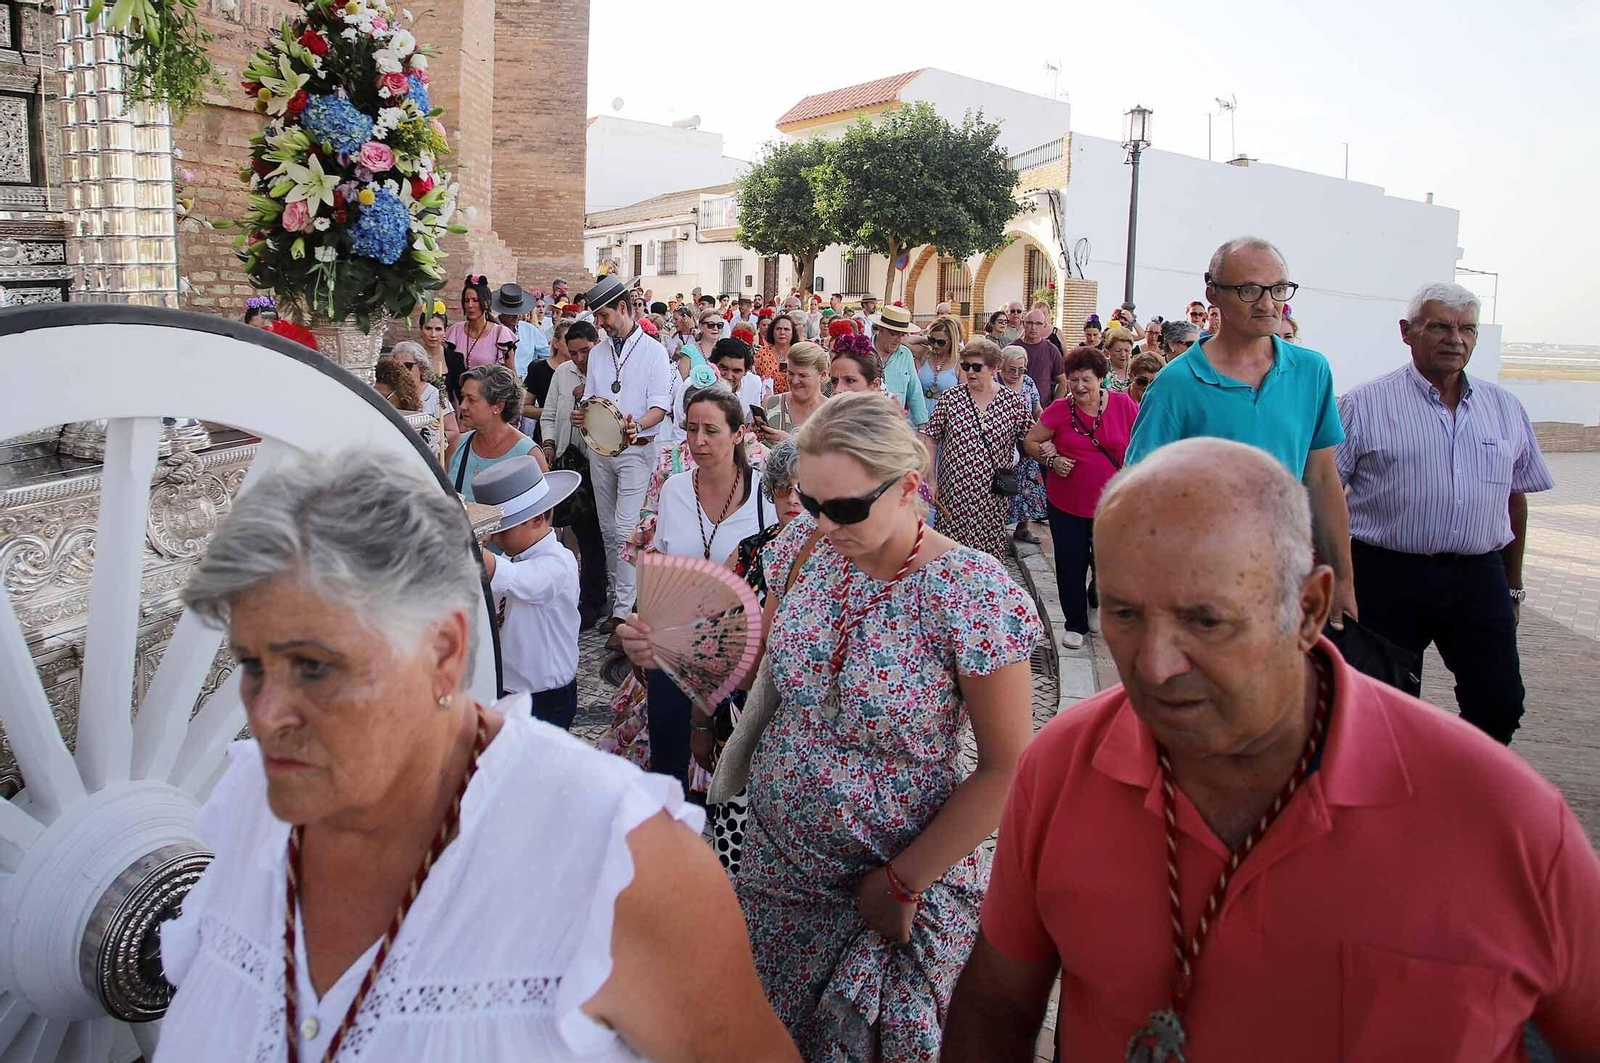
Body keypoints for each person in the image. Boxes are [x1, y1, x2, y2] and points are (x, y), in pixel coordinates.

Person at [940, 438, 1600, 1063]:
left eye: (1206, 620)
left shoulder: (1502, 818)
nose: (1155, 664)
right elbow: (996, 1004)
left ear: (1309, 608)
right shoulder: (1062, 768)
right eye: (1125, 613)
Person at [156, 449, 801, 1063]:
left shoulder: (615, 861)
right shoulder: (247, 811)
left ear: (442, 651)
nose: (264, 717)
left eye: (315, 668)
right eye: (250, 665)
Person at [646, 392, 1040, 1061]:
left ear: (910, 487)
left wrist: (902, 881)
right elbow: (761, 658)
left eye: (847, 507)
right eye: (811, 500)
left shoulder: (972, 594)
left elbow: (1008, 770)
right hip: (779, 875)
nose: (825, 523)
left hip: (891, 891)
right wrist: (673, 648)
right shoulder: (806, 544)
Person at [1336, 282, 1554, 745]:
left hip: (1478, 577)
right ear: (1407, 332)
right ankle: (1389, 801)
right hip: (1384, 576)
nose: (1455, 338)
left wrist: (1513, 586)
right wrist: (1336, 580)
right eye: (1438, 326)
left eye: (1467, 329)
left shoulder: (1506, 409)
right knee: (1379, 704)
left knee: (1499, 704)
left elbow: (1516, 501)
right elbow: (1324, 495)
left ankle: (1461, 790)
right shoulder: (1364, 405)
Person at [1125, 236, 1356, 624]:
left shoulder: (1312, 371)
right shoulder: (1175, 385)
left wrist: (1344, 578)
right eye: (1249, 290)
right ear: (1212, 293)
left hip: (1285, 583)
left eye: (1277, 289)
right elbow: (1139, 495)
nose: (1267, 303)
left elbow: (1321, 478)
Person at [618, 388, 777, 787]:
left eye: (711, 430)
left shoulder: (766, 494)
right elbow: (660, 560)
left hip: (736, 652)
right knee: (668, 762)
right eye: (691, 429)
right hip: (676, 648)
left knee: (732, 767)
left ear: (739, 434)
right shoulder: (674, 490)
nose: (699, 441)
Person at [1023, 346, 1138, 650]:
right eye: (1073, 380)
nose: (1079, 387)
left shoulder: (1124, 405)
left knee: (1108, 566)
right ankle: (1074, 623)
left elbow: (1140, 444)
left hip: (1112, 506)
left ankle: (1095, 599)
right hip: (1067, 504)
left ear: (1100, 379)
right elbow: (1032, 441)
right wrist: (1052, 459)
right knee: (1070, 564)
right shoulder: (1061, 408)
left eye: (1086, 380)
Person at [579, 275, 674, 631]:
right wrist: (582, 413)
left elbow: (660, 407)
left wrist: (639, 425)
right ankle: (620, 601)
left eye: (603, 316)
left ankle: (623, 612)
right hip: (600, 451)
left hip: (637, 450)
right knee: (607, 529)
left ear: (623, 308)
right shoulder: (599, 352)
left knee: (624, 529)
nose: (600, 324)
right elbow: (592, 397)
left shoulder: (654, 350)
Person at [474, 456, 583, 728]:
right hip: (508, 690)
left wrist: (469, 540)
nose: (496, 538)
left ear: (536, 519)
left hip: (547, 698)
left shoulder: (560, 563)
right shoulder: (513, 558)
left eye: (503, 530)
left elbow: (519, 580)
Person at [919, 338, 1032, 560]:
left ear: (993, 368)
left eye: (976, 367)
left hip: (991, 497)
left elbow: (1031, 437)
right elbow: (930, 438)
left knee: (987, 557)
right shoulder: (952, 398)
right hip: (954, 493)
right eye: (965, 366)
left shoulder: (1012, 402)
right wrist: (930, 480)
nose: (970, 371)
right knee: (951, 556)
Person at [539, 321, 608, 629]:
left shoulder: (609, 372)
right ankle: (588, 596)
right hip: (573, 459)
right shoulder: (562, 373)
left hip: (603, 461)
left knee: (601, 533)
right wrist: (550, 443)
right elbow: (550, 412)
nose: (580, 358)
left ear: (597, 343)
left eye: (586, 351)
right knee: (583, 530)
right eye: (574, 352)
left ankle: (596, 597)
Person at [446, 365, 540, 503]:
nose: (462, 406)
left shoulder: (529, 455)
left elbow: (541, 518)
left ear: (498, 406)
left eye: (471, 399)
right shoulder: (457, 445)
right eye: (462, 397)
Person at [1000, 345, 1047, 545]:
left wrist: (1045, 426)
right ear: (1002, 366)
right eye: (1012, 369)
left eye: (1021, 369)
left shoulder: (1028, 382)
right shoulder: (995, 382)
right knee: (1001, 487)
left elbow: (1037, 408)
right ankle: (997, 529)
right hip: (1002, 442)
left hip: (1026, 441)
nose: (1017, 374)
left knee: (1028, 485)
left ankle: (1023, 528)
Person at [391, 340, 461, 450]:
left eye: (408, 366)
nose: (402, 371)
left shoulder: (436, 396)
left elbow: (453, 431)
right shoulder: (391, 394)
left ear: (421, 367)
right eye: (397, 367)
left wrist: (428, 442)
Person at [869, 304, 930, 427]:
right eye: (893, 334)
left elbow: (915, 392)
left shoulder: (905, 354)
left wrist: (923, 427)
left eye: (902, 335)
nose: (898, 339)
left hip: (896, 426)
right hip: (867, 424)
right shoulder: (863, 351)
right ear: (881, 329)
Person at [756, 341, 828, 444]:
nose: (794, 381)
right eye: (790, 373)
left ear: (822, 375)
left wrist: (789, 441)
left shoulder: (833, 413)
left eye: (803, 375)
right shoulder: (770, 404)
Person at [446, 275, 516, 369]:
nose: (470, 305)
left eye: (475, 300)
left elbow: (511, 373)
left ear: (486, 303)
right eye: (466, 301)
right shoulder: (455, 330)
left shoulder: (500, 334)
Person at [1015, 307, 1067, 403]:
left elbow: (1062, 381)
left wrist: (1054, 406)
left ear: (1045, 326)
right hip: (1015, 409)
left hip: (1043, 409)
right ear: (1023, 324)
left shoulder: (1052, 350)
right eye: (1030, 323)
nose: (1033, 327)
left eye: (1038, 323)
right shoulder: (1013, 348)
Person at [419, 305, 466, 405]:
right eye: (428, 328)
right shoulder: (413, 357)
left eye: (438, 329)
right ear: (421, 330)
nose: (433, 335)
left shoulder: (455, 359)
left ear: (445, 331)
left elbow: (463, 394)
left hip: (445, 415)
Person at [917, 314, 964, 405]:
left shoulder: (960, 362)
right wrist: (925, 339)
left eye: (941, 342)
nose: (935, 345)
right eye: (932, 340)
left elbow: (964, 396)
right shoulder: (926, 353)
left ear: (952, 341)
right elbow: (905, 341)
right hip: (919, 412)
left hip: (945, 413)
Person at [715, 336, 765, 410]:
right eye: (724, 368)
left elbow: (750, 418)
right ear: (714, 365)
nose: (729, 376)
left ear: (746, 371)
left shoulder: (754, 383)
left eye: (736, 371)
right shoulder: (700, 383)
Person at [757, 312, 797, 395]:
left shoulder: (798, 353)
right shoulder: (761, 354)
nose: (782, 332)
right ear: (772, 331)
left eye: (786, 329)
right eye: (778, 329)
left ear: (793, 333)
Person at [1101, 326, 1135, 392]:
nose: (1123, 354)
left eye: (1127, 350)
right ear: (1108, 350)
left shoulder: (1136, 369)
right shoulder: (1101, 368)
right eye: (1118, 350)